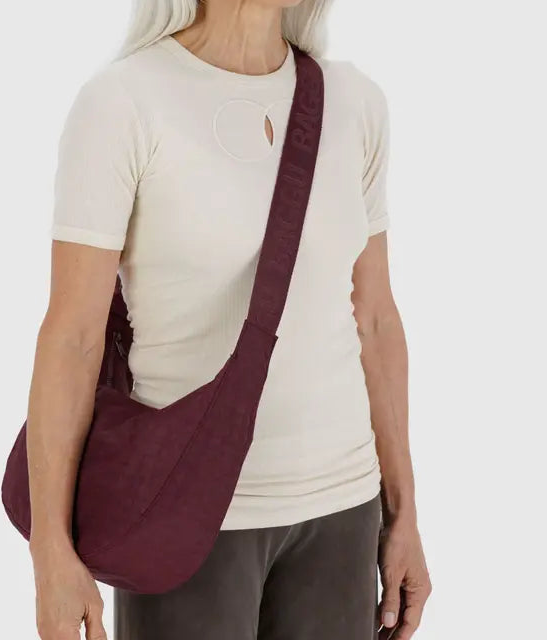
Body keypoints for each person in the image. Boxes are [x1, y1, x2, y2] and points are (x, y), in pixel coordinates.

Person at [25, 1, 431, 639]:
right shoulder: (125, 102)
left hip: (344, 508)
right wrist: (50, 550)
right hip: (186, 515)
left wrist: (403, 514)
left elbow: (376, 317)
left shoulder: (354, 103)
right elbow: (72, 338)